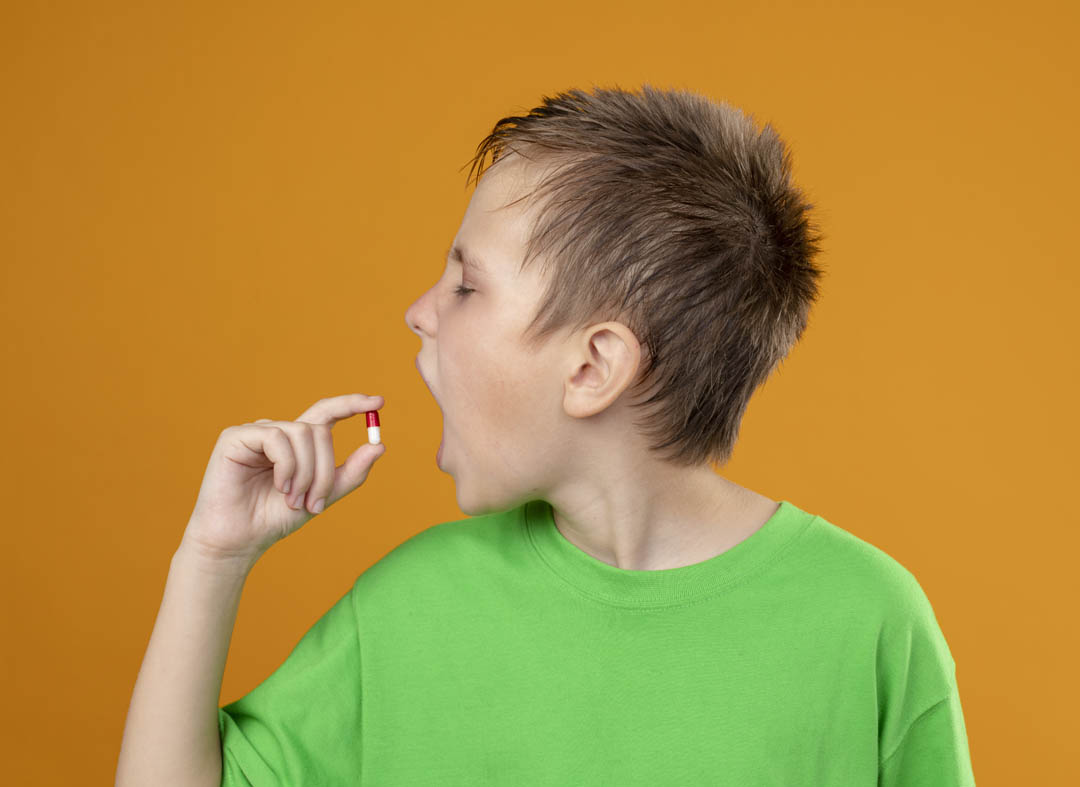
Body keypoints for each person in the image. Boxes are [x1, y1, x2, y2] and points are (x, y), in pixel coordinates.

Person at [117, 84, 975, 786]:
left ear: (592, 367)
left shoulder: (869, 623)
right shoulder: (410, 609)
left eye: (466, 286)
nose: (417, 312)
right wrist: (212, 560)